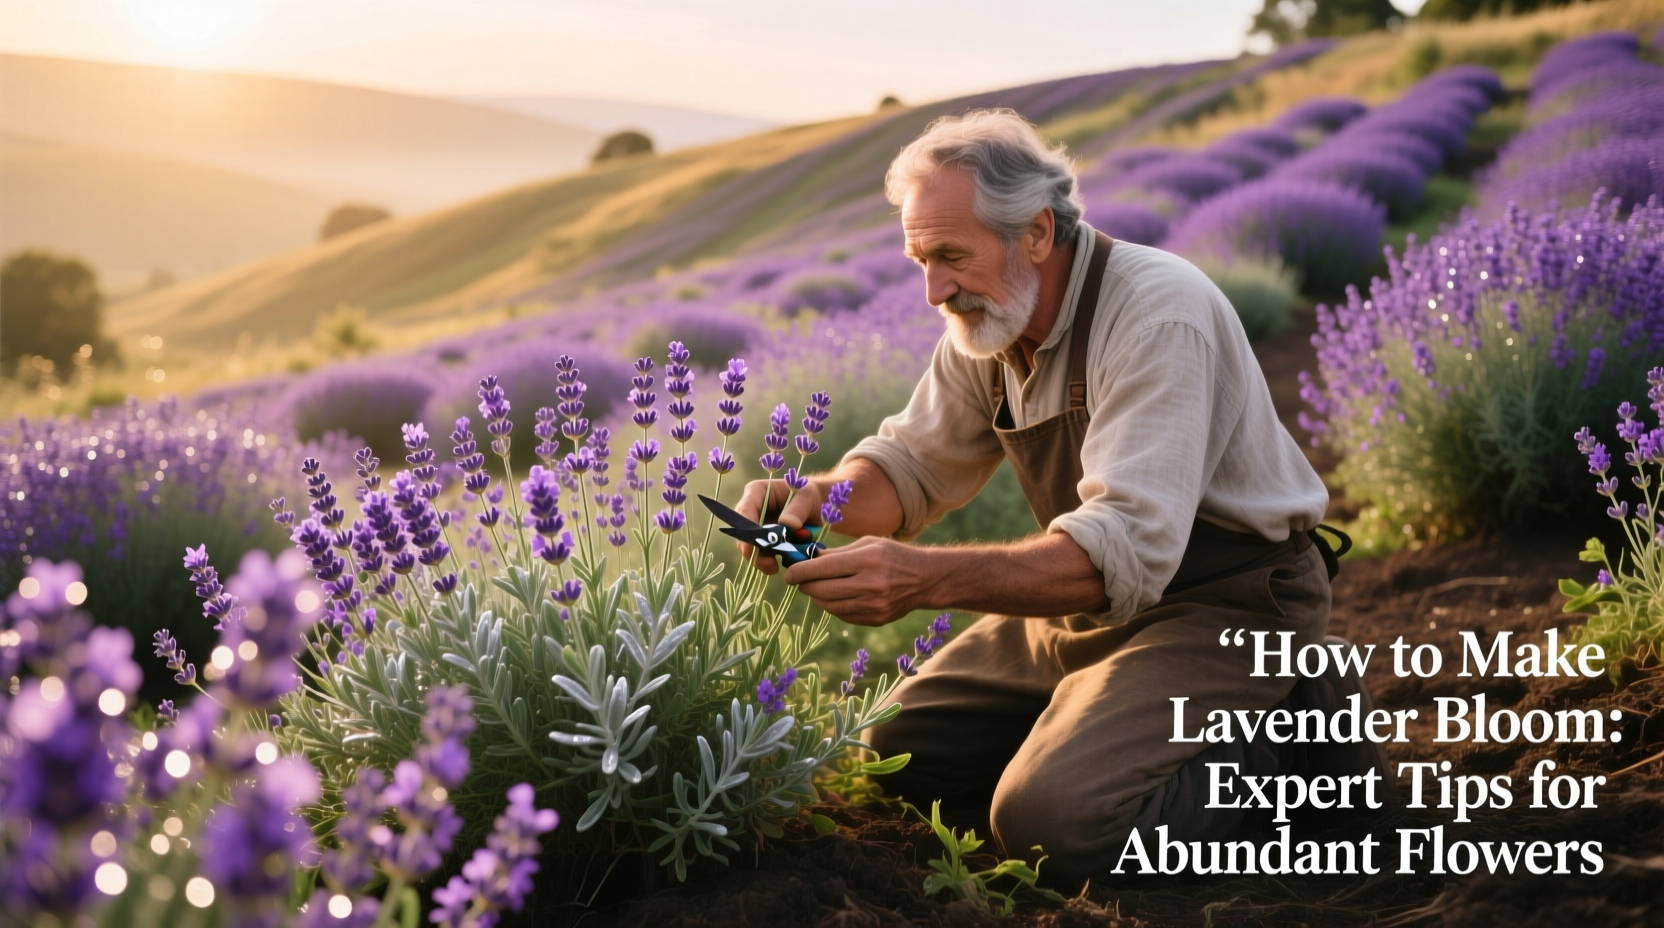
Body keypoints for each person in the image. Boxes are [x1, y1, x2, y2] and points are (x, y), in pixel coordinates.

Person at [734, 108, 1384, 884]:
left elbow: (1124, 546)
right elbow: (910, 465)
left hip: (1225, 606)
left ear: (1036, 234)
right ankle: (1107, 725)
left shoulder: (1155, 315)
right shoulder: (988, 322)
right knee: (894, 752)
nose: (934, 289)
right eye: (918, 261)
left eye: (951, 256)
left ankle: (1295, 722)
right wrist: (816, 497)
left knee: (1056, 827)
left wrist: (925, 578)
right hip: (1081, 606)